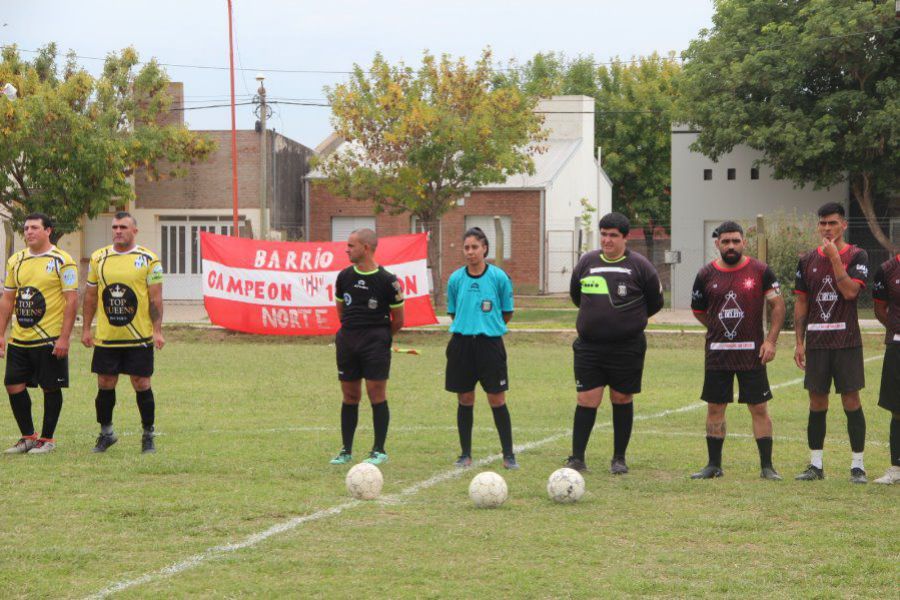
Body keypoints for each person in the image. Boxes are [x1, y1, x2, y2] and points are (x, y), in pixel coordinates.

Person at [566, 212, 664, 473]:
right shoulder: (586, 262)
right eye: (604, 234)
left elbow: (655, 302)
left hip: (627, 347)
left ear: (625, 237)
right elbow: (576, 296)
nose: (607, 240)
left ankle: (619, 458)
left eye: (613, 235)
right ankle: (577, 458)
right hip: (589, 347)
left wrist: (628, 322)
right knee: (587, 398)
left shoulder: (640, 267)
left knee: (621, 398)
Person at [689, 221, 786, 480]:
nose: (730, 246)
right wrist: (717, 328)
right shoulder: (705, 274)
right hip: (718, 353)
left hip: (751, 354)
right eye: (725, 241)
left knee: (759, 408)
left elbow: (778, 305)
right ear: (717, 244)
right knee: (715, 408)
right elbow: (698, 310)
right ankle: (713, 465)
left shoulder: (761, 271)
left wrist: (771, 341)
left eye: (735, 241)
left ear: (744, 242)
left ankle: (767, 466)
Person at [794, 202, 869, 483]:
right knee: (817, 401)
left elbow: (850, 292)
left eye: (833, 223)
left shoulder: (858, 255)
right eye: (823, 224)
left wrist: (835, 257)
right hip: (818, 343)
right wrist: (799, 343)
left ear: (844, 225)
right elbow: (801, 302)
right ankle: (815, 465)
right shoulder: (806, 260)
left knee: (851, 399)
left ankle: (858, 466)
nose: (827, 229)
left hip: (847, 341)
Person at [82, 212, 165, 454]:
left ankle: (148, 434)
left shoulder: (149, 259)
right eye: (115, 227)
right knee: (105, 383)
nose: (118, 231)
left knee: (141, 383)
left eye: (123, 227)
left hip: (138, 336)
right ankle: (106, 433)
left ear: (134, 231)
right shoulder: (99, 258)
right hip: (107, 337)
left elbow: (155, 298)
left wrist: (157, 331)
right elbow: (90, 296)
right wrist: (87, 328)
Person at [0, 213, 78, 454]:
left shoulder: (63, 260)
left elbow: (71, 301)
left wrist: (64, 337)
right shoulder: (16, 260)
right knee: (12, 384)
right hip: (20, 338)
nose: (29, 232)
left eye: (34, 227)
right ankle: (28, 436)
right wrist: (1, 334)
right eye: (26, 228)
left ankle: (47, 439)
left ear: (48, 231)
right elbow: (8, 299)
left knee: (49, 387)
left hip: (49, 338)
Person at [330, 228, 404, 466]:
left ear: (366, 248)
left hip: (376, 342)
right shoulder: (344, 277)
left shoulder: (387, 281)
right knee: (350, 395)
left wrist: (381, 337)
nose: (347, 249)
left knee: (376, 393)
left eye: (351, 245)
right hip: (348, 341)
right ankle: (346, 450)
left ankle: (378, 450)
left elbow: (399, 319)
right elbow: (342, 311)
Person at [445, 227, 517, 469]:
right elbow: (454, 312)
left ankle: (508, 455)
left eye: (475, 247)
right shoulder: (455, 279)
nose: (470, 252)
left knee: (497, 399)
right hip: (462, 344)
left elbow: (506, 313)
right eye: (466, 248)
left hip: (490, 345)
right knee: (465, 398)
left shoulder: (498, 277)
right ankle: (465, 454)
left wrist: (488, 326)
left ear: (484, 248)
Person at [872, 253, 900, 484]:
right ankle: (897, 467)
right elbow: (880, 308)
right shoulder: (887, 269)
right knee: (897, 408)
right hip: (898, 345)